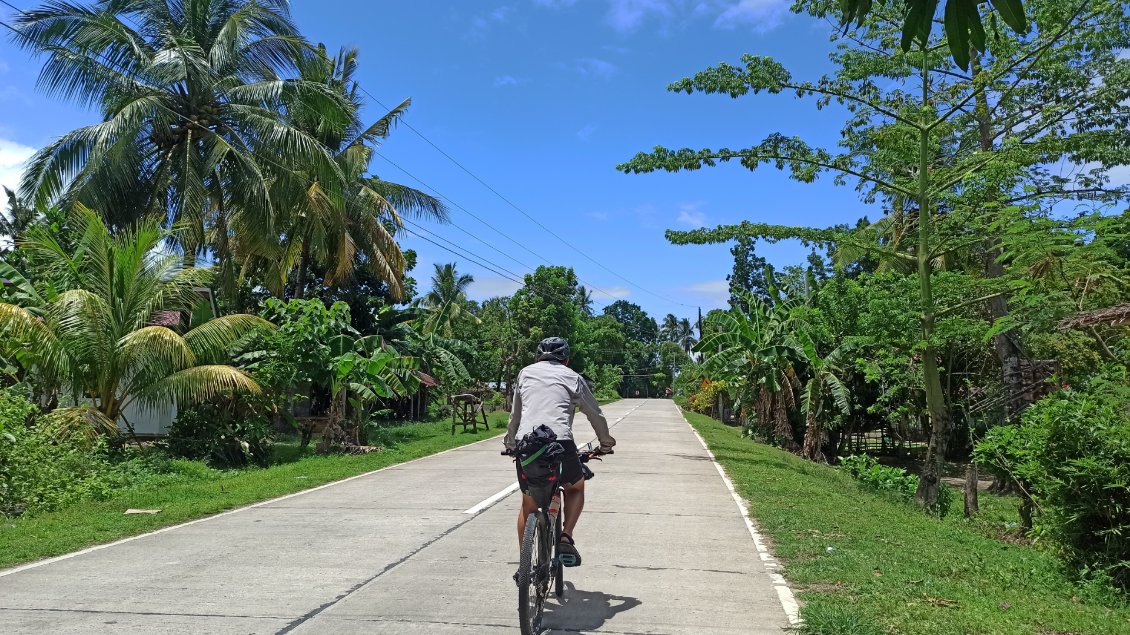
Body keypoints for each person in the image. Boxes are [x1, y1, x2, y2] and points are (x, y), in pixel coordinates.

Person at [505, 337, 615, 567]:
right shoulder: (573, 377)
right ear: (566, 359)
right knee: (575, 486)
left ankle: (525, 566)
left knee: (528, 503)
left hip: (529, 444)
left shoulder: (524, 373)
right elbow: (595, 414)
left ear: (538, 358)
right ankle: (566, 536)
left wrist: (511, 444)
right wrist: (605, 444)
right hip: (561, 444)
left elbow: (516, 415)